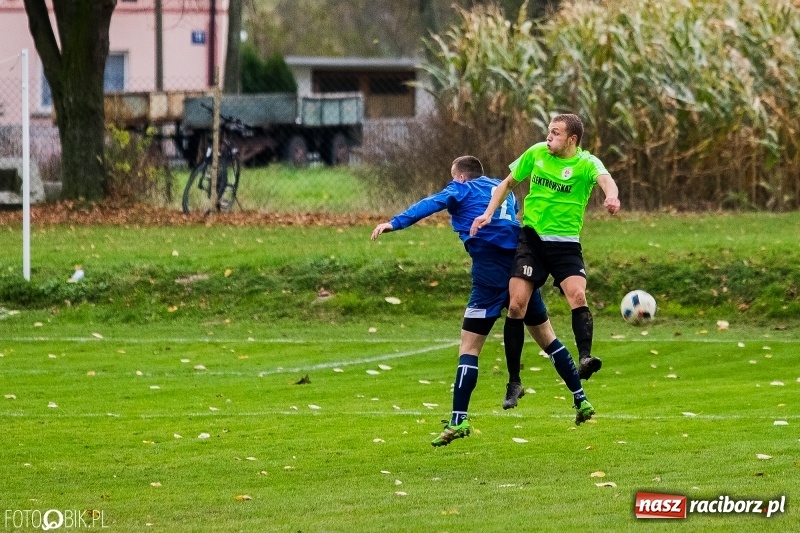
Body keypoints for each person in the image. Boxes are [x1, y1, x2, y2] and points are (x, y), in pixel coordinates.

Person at [371, 155, 582, 447]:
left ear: (459, 176)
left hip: (489, 273)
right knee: (547, 337)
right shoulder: (501, 187)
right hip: (521, 268)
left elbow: (429, 204)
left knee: (469, 347)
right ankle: (580, 398)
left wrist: (394, 223)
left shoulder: (460, 189)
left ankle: (459, 419)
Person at [471, 113, 621, 425]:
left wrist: (612, 197)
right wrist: (487, 213)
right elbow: (507, 183)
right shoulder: (536, 154)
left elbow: (606, 180)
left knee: (577, 295)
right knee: (516, 305)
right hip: (533, 242)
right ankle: (514, 381)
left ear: (572, 140)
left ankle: (585, 359)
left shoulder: (586, 163)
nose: (549, 137)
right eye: (548, 132)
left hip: (565, 246)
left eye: (555, 133)